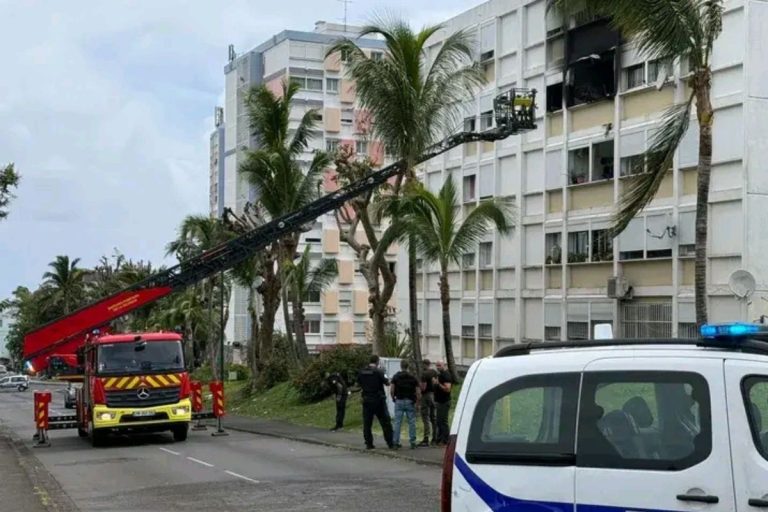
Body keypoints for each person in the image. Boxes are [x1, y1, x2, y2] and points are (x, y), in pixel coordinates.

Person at [357, 355, 394, 449]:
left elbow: (359, 384)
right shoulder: (379, 371)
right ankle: (390, 442)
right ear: (377, 361)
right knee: (385, 422)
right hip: (378, 400)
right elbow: (387, 382)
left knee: (367, 423)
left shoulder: (362, 372)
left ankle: (369, 443)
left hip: (366, 399)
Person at [390, 360, 421, 449]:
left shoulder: (396, 377)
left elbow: (392, 390)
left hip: (399, 400)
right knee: (411, 422)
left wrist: (393, 398)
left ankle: (395, 442)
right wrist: (417, 403)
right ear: (408, 366)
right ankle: (413, 442)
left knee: (397, 423)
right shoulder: (413, 377)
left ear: (401, 366)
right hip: (410, 401)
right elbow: (418, 392)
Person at [434, 361, 453, 446]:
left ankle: (446, 440)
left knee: (443, 421)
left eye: (439, 365)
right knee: (439, 421)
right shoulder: (440, 375)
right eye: (437, 365)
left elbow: (447, 389)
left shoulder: (446, 375)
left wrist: (438, 384)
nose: (438, 367)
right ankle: (439, 439)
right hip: (439, 401)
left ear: (444, 365)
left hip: (444, 401)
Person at [419, 359, 438, 447]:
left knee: (425, 416)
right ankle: (435, 437)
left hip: (426, 395)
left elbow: (423, 387)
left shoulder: (424, 374)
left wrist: (419, 386)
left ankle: (426, 438)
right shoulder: (434, 372)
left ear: (424, 364)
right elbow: (436, 382)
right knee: (433, 417)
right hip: (434, 395)